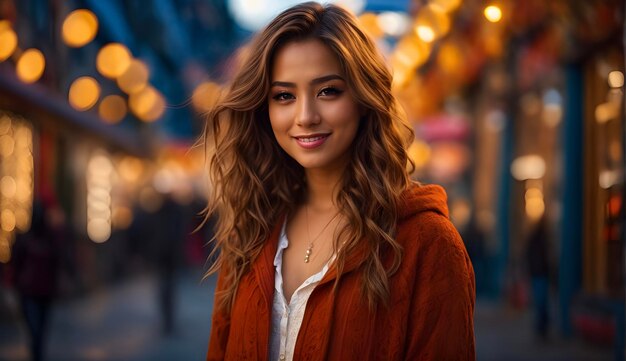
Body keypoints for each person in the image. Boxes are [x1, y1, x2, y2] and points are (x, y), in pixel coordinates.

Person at [203, 2, 475, 360]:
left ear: (363, 99)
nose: (305, 116)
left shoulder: (428, 243)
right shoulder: (251, 230)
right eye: (284, 95)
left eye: (328, 91)